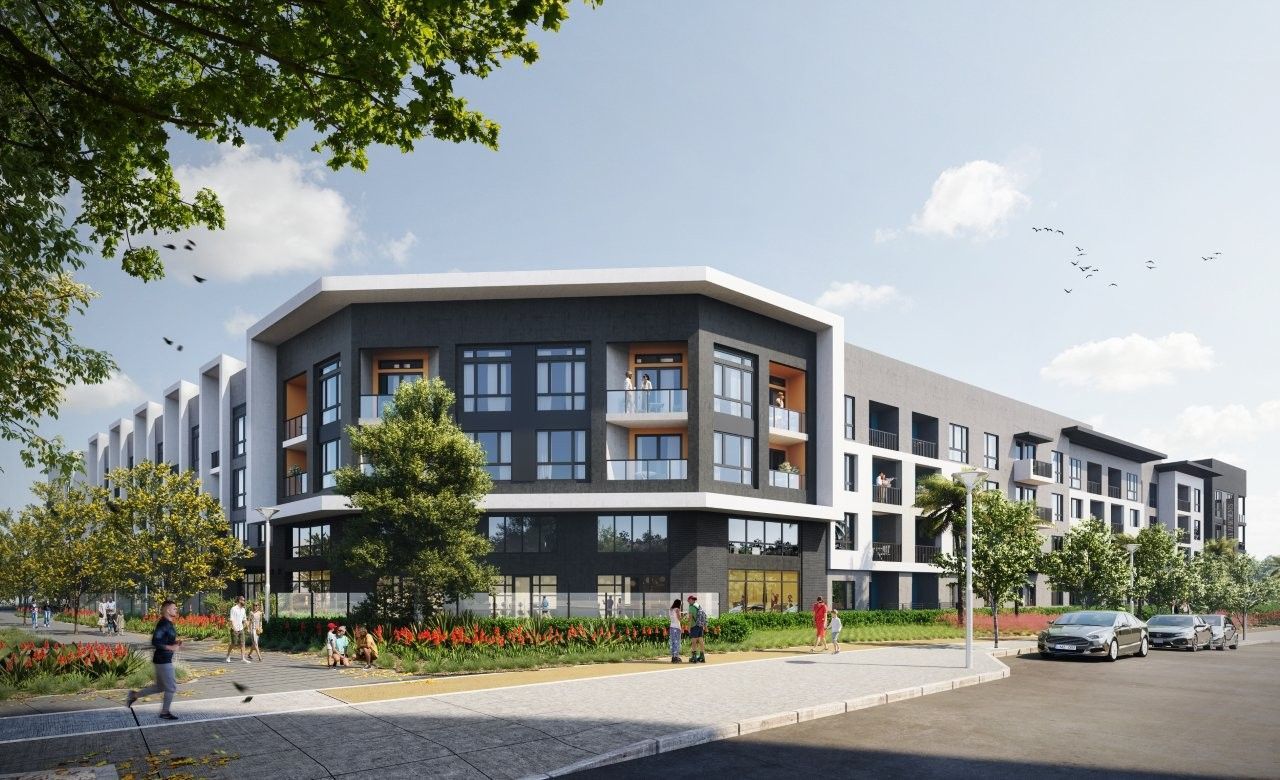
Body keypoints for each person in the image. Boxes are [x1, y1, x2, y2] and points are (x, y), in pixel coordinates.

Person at [127, 599, 182, 720]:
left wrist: (175, 643)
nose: (176, 610)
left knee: (160, 687)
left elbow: (164, 640)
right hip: (163, 660)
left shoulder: (168, 623)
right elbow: (155, 641)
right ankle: (165, 712)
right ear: (167, 610)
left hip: (162, 659)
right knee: (171, 687)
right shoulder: (163, 624)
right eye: (174, 608)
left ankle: (134, 695)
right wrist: (171, 646)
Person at [225, 595, 249, 663]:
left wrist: (246, 626)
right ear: (239, 601)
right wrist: (234, 628)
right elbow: (231, 619)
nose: (244, 601)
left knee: (243, 643)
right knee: (233, 644)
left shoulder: (243, 609)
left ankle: (243, 658)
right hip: (234, 629)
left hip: (241, 628)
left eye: (244, 600)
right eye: (243, 600)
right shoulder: (233, 609)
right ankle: (228, 656)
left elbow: (244, 619)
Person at [687, 595, 708, 663]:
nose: (688, 601)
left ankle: (694, 657)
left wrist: (689, 627)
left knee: (694, 641)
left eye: (689, 600)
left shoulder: (691, 607)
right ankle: (702, 656)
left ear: (692, 600)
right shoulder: (698, 606)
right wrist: (705, 626)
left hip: (694, 626)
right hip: (700, 626)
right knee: (701, 640)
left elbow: (690, 619)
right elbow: (704, 616)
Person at [668, 598, 684, 663]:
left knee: (673, 642)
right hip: (677, 627)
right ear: (679, 604)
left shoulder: (670, 610)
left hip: (671, 627)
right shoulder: (677, 609)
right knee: (677, 642)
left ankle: (673, 657)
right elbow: (679, 619)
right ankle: (676, 657)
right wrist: (684, 616)